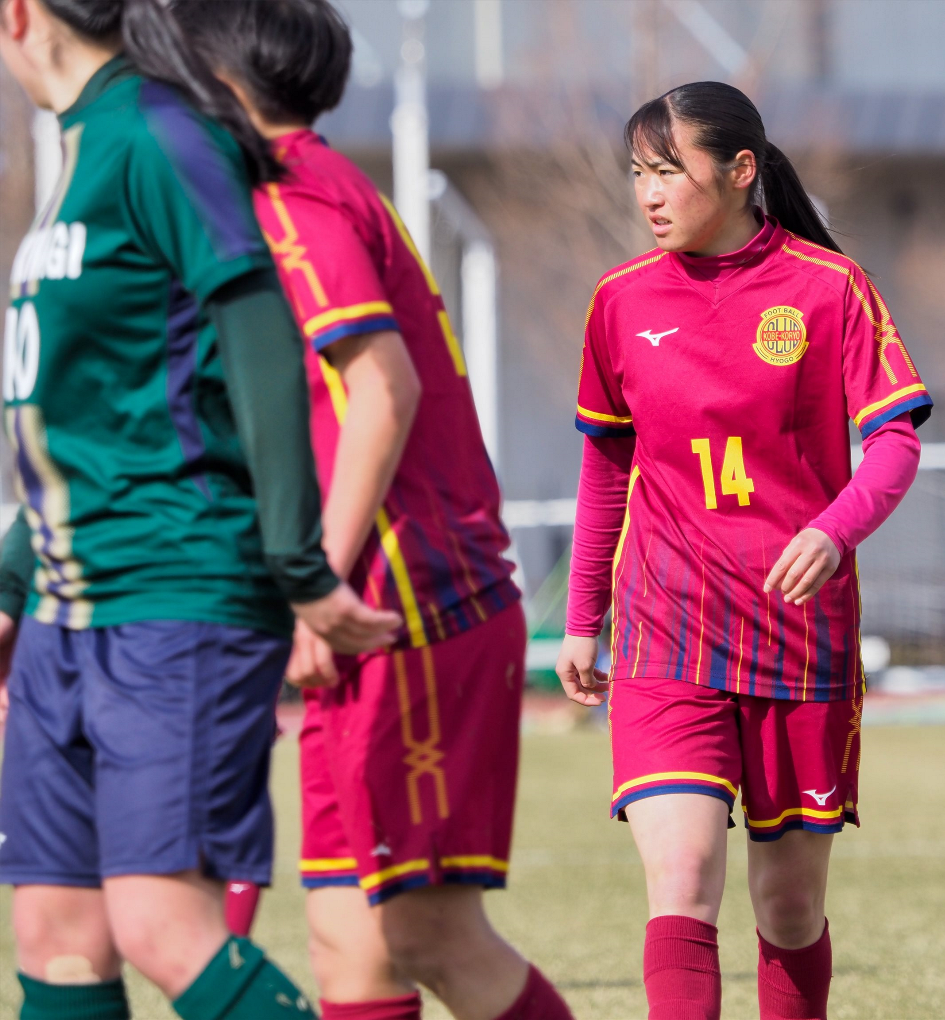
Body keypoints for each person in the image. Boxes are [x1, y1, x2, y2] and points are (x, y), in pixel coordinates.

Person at [0, 0, 401, 1018]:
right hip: (67, 607)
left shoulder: (153, 130)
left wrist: (299, 568)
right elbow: (86, 419)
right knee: (55, 929)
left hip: (181, 590)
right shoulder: (85, 144)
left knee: (159, 924)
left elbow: (257, 328)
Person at [173, 3, 574, 1019]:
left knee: (428, 933)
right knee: (347, 945)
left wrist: (317, 583)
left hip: (408, 602)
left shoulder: (293, 196)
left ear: (219, 84)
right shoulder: (294, 189)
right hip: (359, 611)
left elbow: (381, 391)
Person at [556, 82, 931, 1020]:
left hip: (799, 638)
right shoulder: (619, 303)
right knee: (681, 874)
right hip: (664, 632)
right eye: (637, 173)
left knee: (790, 903)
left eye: (667, 171)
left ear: (739, 171)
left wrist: (832, 530)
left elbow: (895, 442)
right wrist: (580, 620)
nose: (648, 194)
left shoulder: (828, 287)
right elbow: (608, 469)